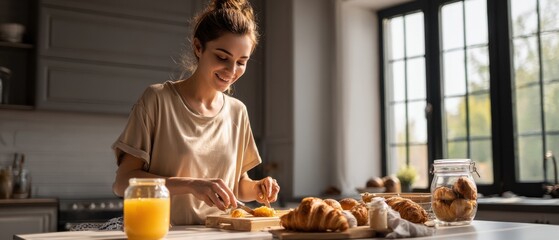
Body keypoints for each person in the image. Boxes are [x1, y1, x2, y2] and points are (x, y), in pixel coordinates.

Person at [111, 0, 280, 225]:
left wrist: (258, 188)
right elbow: (122, 182)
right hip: (163, 234)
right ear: (198, 47)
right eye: (222, 57)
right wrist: (191, 185)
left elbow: (237, 186)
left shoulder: (238, 112)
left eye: (241, 62)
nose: (232, 71)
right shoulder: (158, 100)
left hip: (220, 234)